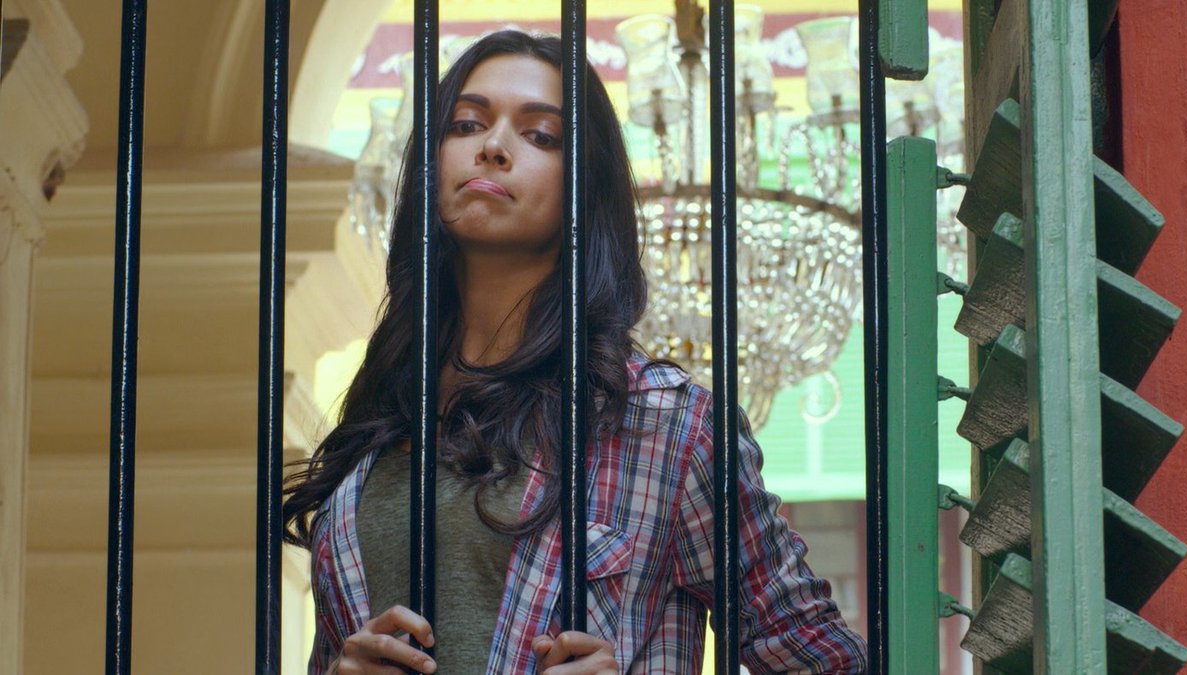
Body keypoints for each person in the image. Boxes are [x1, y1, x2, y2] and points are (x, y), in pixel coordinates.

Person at [283, 29, 867, 675]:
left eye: (541, 136)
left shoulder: (665, 425)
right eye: (468, 123)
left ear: (585, 189)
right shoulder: (375, 430)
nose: (494, 147)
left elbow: (825, 660)